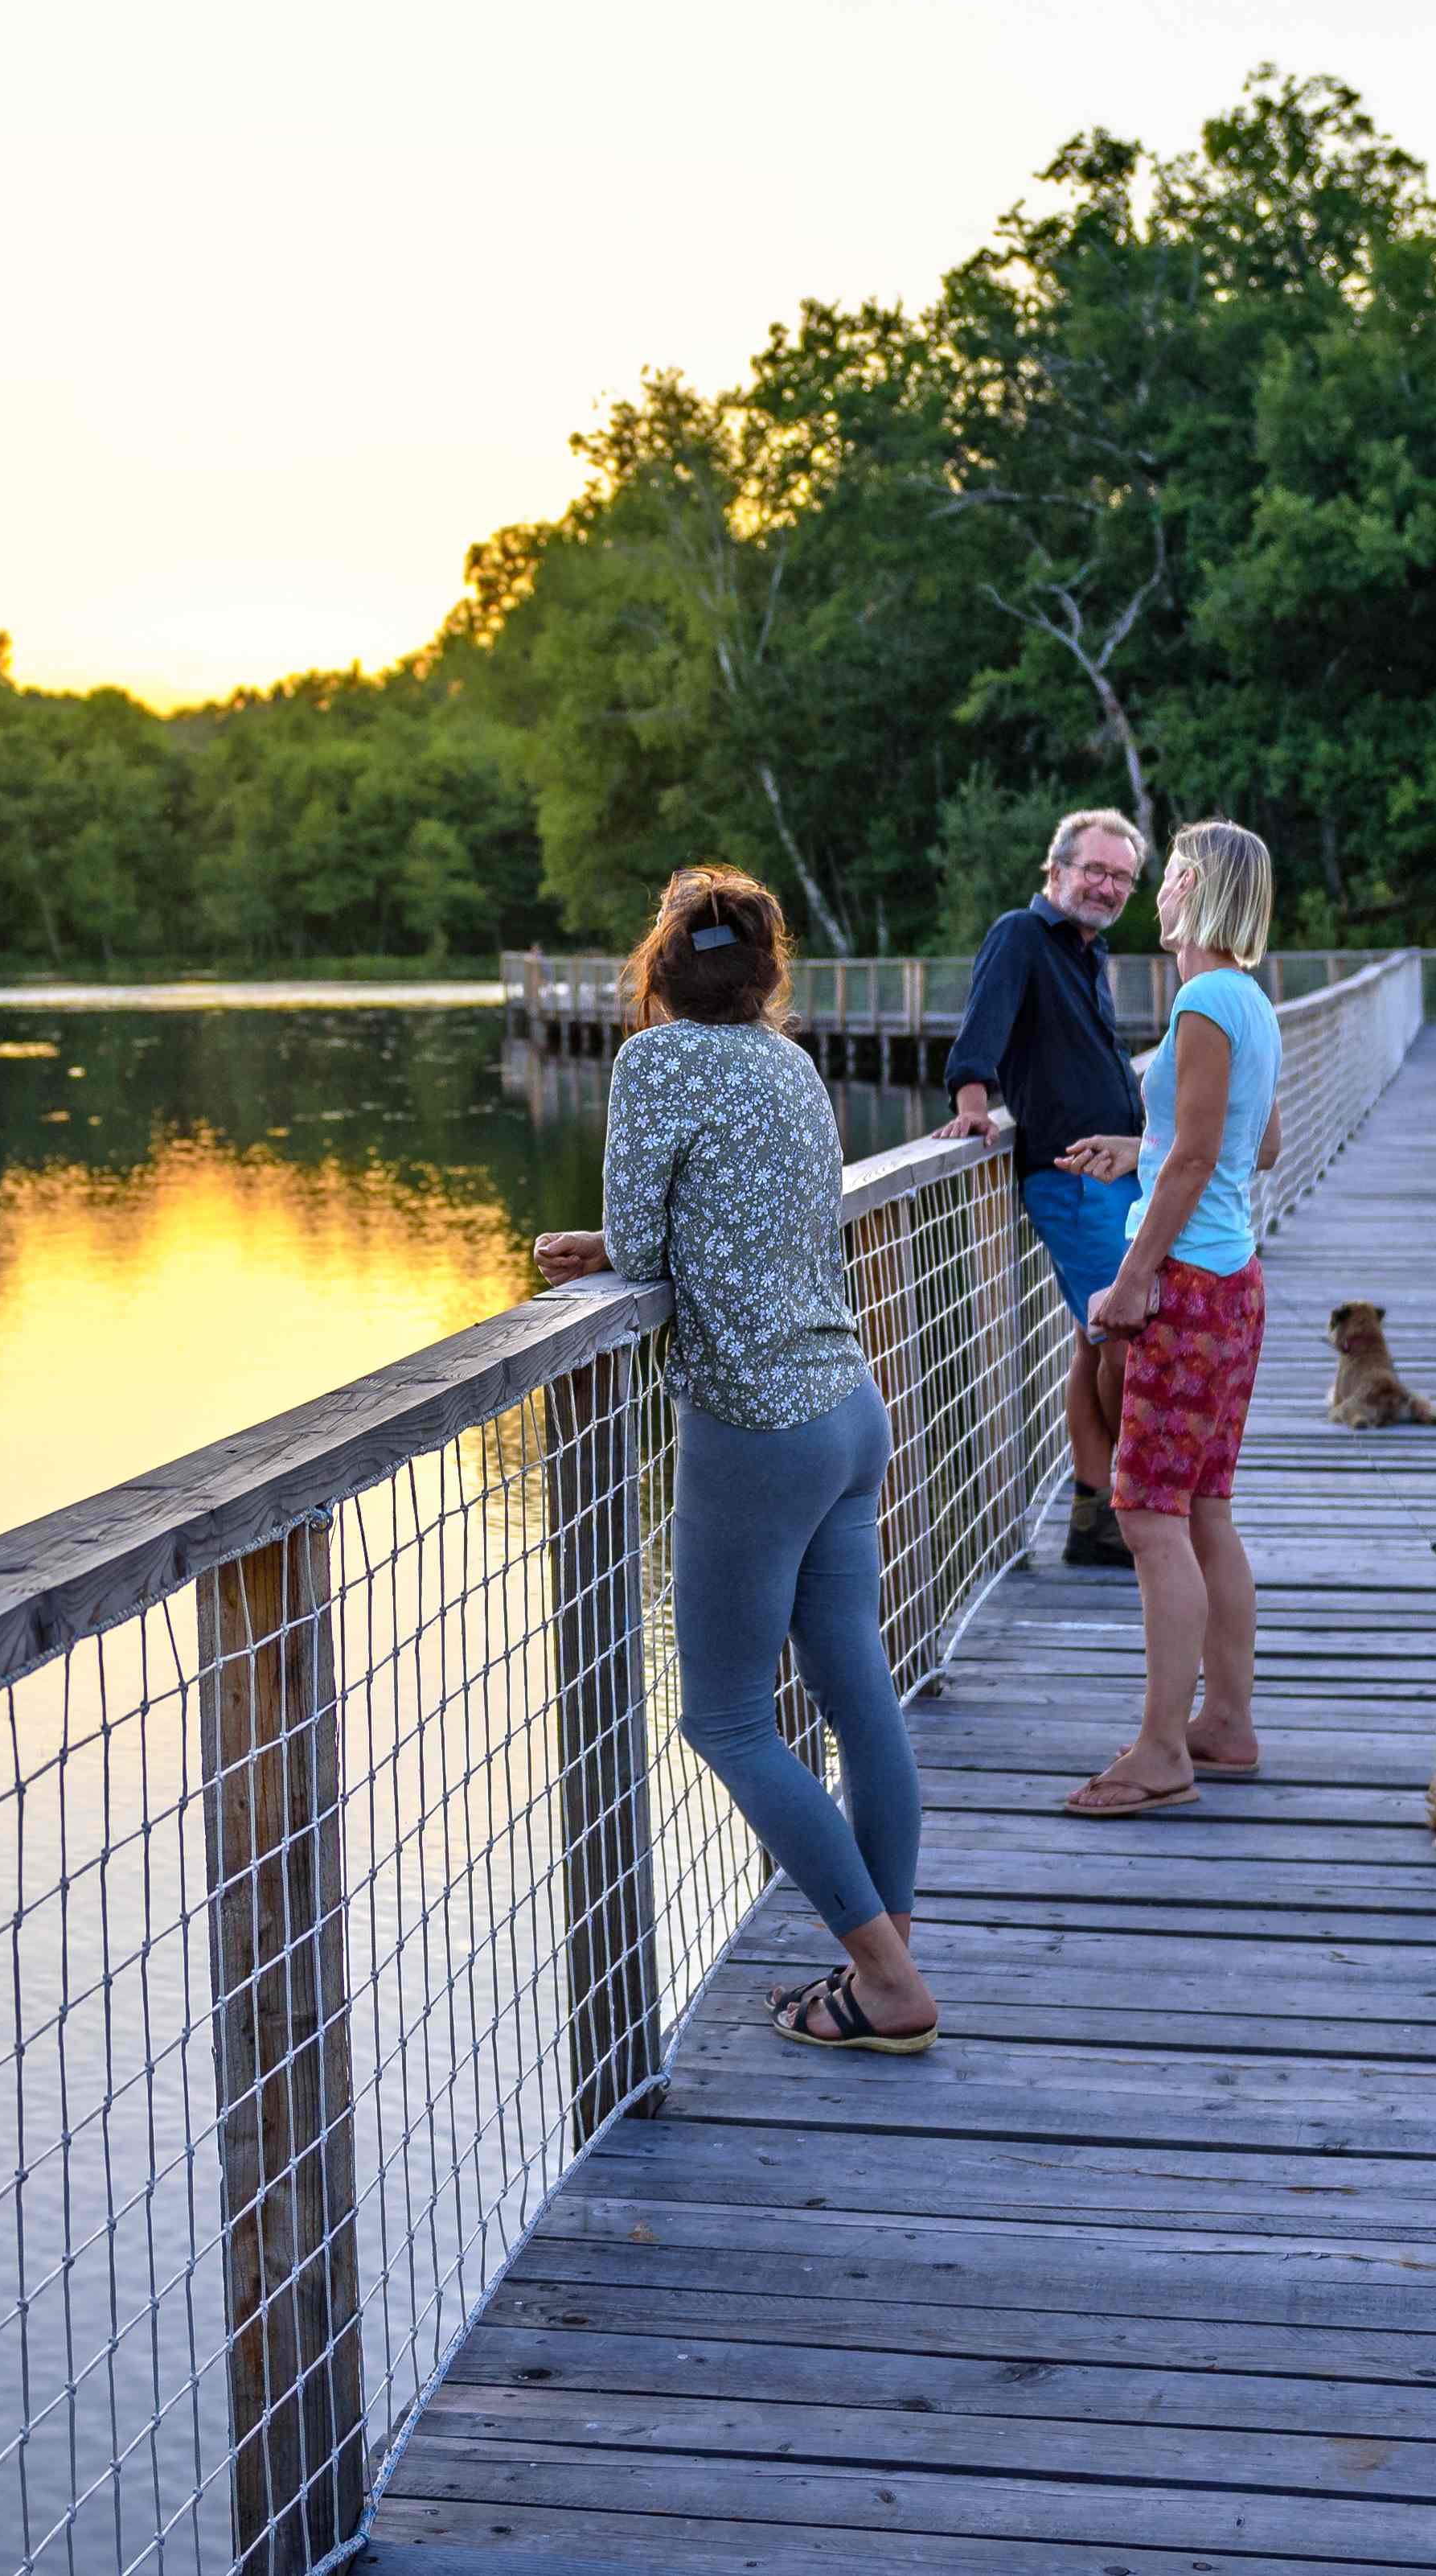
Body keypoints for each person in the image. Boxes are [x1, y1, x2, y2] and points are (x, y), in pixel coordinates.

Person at [531, 866, 939, 2055]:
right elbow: (749, 1221)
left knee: (721, 1716)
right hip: (849, 1406)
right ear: (768, 969)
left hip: (757, 1420)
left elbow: (653, 1240)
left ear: (657, 967)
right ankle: (885, 1961)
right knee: (855, 1688)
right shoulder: (792, 1062)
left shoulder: (654, 1063)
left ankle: (888, 1980)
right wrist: (625, 1240)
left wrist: (616, 1244)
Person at [1060, 819, 1286, 1819]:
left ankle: (1160, 1753)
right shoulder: (1252, 1000)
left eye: (1164, 877)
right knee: (1203, 1512)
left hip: (1185, 1285)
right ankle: (1224, 1724)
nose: (1152, 892)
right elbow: (1254, 1143)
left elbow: (1202, 1158)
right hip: (1233, 1283)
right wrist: (1137, 1145)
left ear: (1188, 882)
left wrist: (1131, 1281)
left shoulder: (1202, 997)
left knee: (1149, 1517)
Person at [941, 809, 1150, 1565]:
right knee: (1128, 1334)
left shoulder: (1090, 951)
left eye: (1121, 877)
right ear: (1056, 868)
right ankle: (1142, 1500)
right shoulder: (1021, 935)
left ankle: (1094, 1521)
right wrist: (971, 1104)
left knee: (1095, 1342)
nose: (1106, 886)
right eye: (1095, 870)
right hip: (1071, 1178)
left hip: (1115, 1176)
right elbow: (981, 1031)